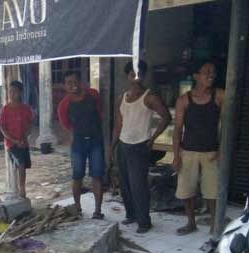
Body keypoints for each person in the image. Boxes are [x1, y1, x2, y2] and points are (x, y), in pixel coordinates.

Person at [111, 60, 171, 234]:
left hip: (139, 147)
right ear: (127, 75)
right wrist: (112, 148)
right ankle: (131, 214)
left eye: (139, 74)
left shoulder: (150, 97)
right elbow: (118, 125)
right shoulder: (121, 98)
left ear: (144, 75)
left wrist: (153, 138)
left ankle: (144, 222)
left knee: (139, 186)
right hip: (123, 145)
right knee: (125, 184)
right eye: (132, 74)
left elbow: (166, 117)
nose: (136, 77)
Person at [173, 60, 225, 236]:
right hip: (188, 151)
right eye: (207, 71)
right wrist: (176, 155)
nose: (211, 74)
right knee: (187, 191)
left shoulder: (219, 96)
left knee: (212, 193)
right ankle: (191, 223)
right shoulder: (184, 100)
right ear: (196, 76)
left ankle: (214, 225)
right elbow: (178, 129)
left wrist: (221, 150)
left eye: (213, 71)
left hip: (211, 152)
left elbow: (228, 126)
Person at [57, 71, 106, 219]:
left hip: (96, 141)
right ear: (65, 86)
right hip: (78, 143)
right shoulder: (63, 105)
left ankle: (98, 210)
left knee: (97, 176)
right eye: (69, 83)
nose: (73, 85)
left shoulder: (93, 94)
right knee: (77, 176)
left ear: (81, 81)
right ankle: (77, 208)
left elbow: (100, 112)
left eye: (75, 81)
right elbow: (66, 124)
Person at [0, 80, 33, 199]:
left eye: (15, 92)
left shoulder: (25, 108)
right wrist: (14, 140)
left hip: (23, 142)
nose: (11, 94)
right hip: (11, 144)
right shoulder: (5, 109)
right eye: (10, 92)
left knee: (23, 166)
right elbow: (3, 128)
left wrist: (25, 137)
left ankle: (20, 187)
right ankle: (21, 189)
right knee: (20, 164)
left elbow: (30, 124)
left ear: (20, 93)